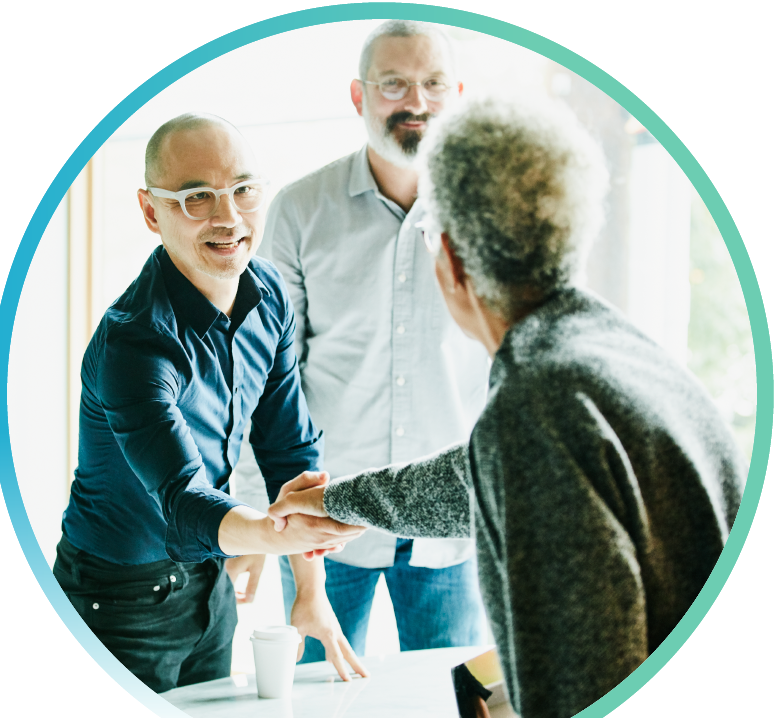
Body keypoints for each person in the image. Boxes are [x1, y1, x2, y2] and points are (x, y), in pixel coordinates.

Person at [267, 98, 747, 717]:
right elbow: (473, 480)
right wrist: (335, 501)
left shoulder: (537, 409)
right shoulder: (606, 349)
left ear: (453, 262)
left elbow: (583, 687)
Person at [52, 113, 367, 694]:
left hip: (210, 581)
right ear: (152, 211)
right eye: (197, 198)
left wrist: (311, 589)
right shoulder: (135, 343)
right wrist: (276, 536)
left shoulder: (268, 293)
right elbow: (183, 501)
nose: (228, 218)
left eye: (243, 190)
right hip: (114, 600)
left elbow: (289, 450)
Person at [232, 20, 490, 661]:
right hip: (323, 517)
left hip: (452, 524)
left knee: (454, 696)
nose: (416, 101)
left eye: (433, 84)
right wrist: (246, 516)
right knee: (319, 695)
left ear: (456, 92)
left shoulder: (490, 212)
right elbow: (262, 376)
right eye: (394, 84)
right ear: (359, 96)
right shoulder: (299, 210)